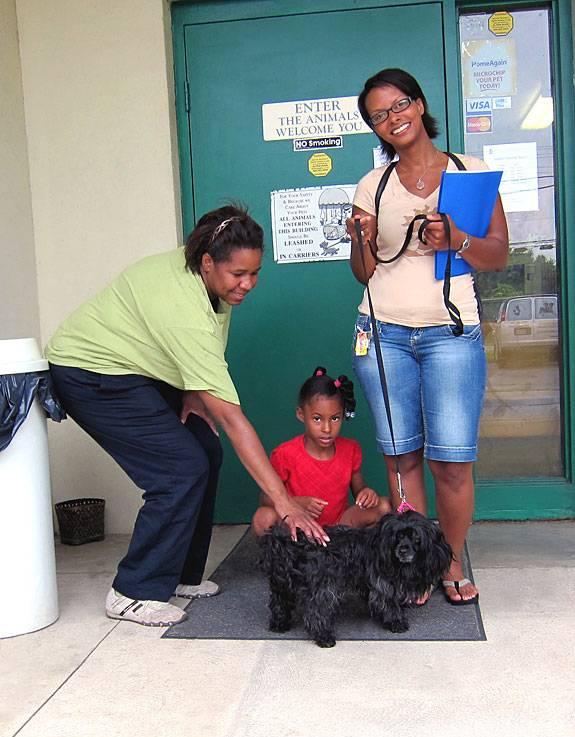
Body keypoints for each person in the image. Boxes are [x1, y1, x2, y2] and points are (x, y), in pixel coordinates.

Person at [46, 204, 329, 628]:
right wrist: (284, 503)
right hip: (90, 372)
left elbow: (208, 351)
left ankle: (179, 575)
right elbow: (234, 421)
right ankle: (133, 591)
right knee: (180, 468)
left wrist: (195, 392)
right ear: (207, 262)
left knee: (205, 450)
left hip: (137, 366)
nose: (248, 284)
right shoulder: (182, 307)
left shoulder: (213, 284)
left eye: (255, 273)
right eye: (239, 275)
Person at [345, 68, 509, 605]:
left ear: (418, 104)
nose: (392, 119)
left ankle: (451, 560)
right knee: (401, 458)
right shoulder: (374, 185)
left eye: (399, 106)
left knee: (452, 461)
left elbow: (497, 255)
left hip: (451, 332)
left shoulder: (469, 173)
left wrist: (456, 237)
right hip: (383, 333)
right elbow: (364, 272)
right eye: (379, 116)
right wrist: (361, 238)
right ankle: (411, 567)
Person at [252, 367, 391, 536]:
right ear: (301, 414)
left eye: (335, 418)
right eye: (317, 419)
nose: (327, 428)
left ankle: (352, 554)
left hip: (340, 525)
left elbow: (359, 487)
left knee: (383, 506)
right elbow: (266, 499)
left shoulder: (350, 449)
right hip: (299, 525)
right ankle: (287, 558)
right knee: (263, 517)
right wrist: (296, 503)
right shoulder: (284, 454)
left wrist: (366, 493)